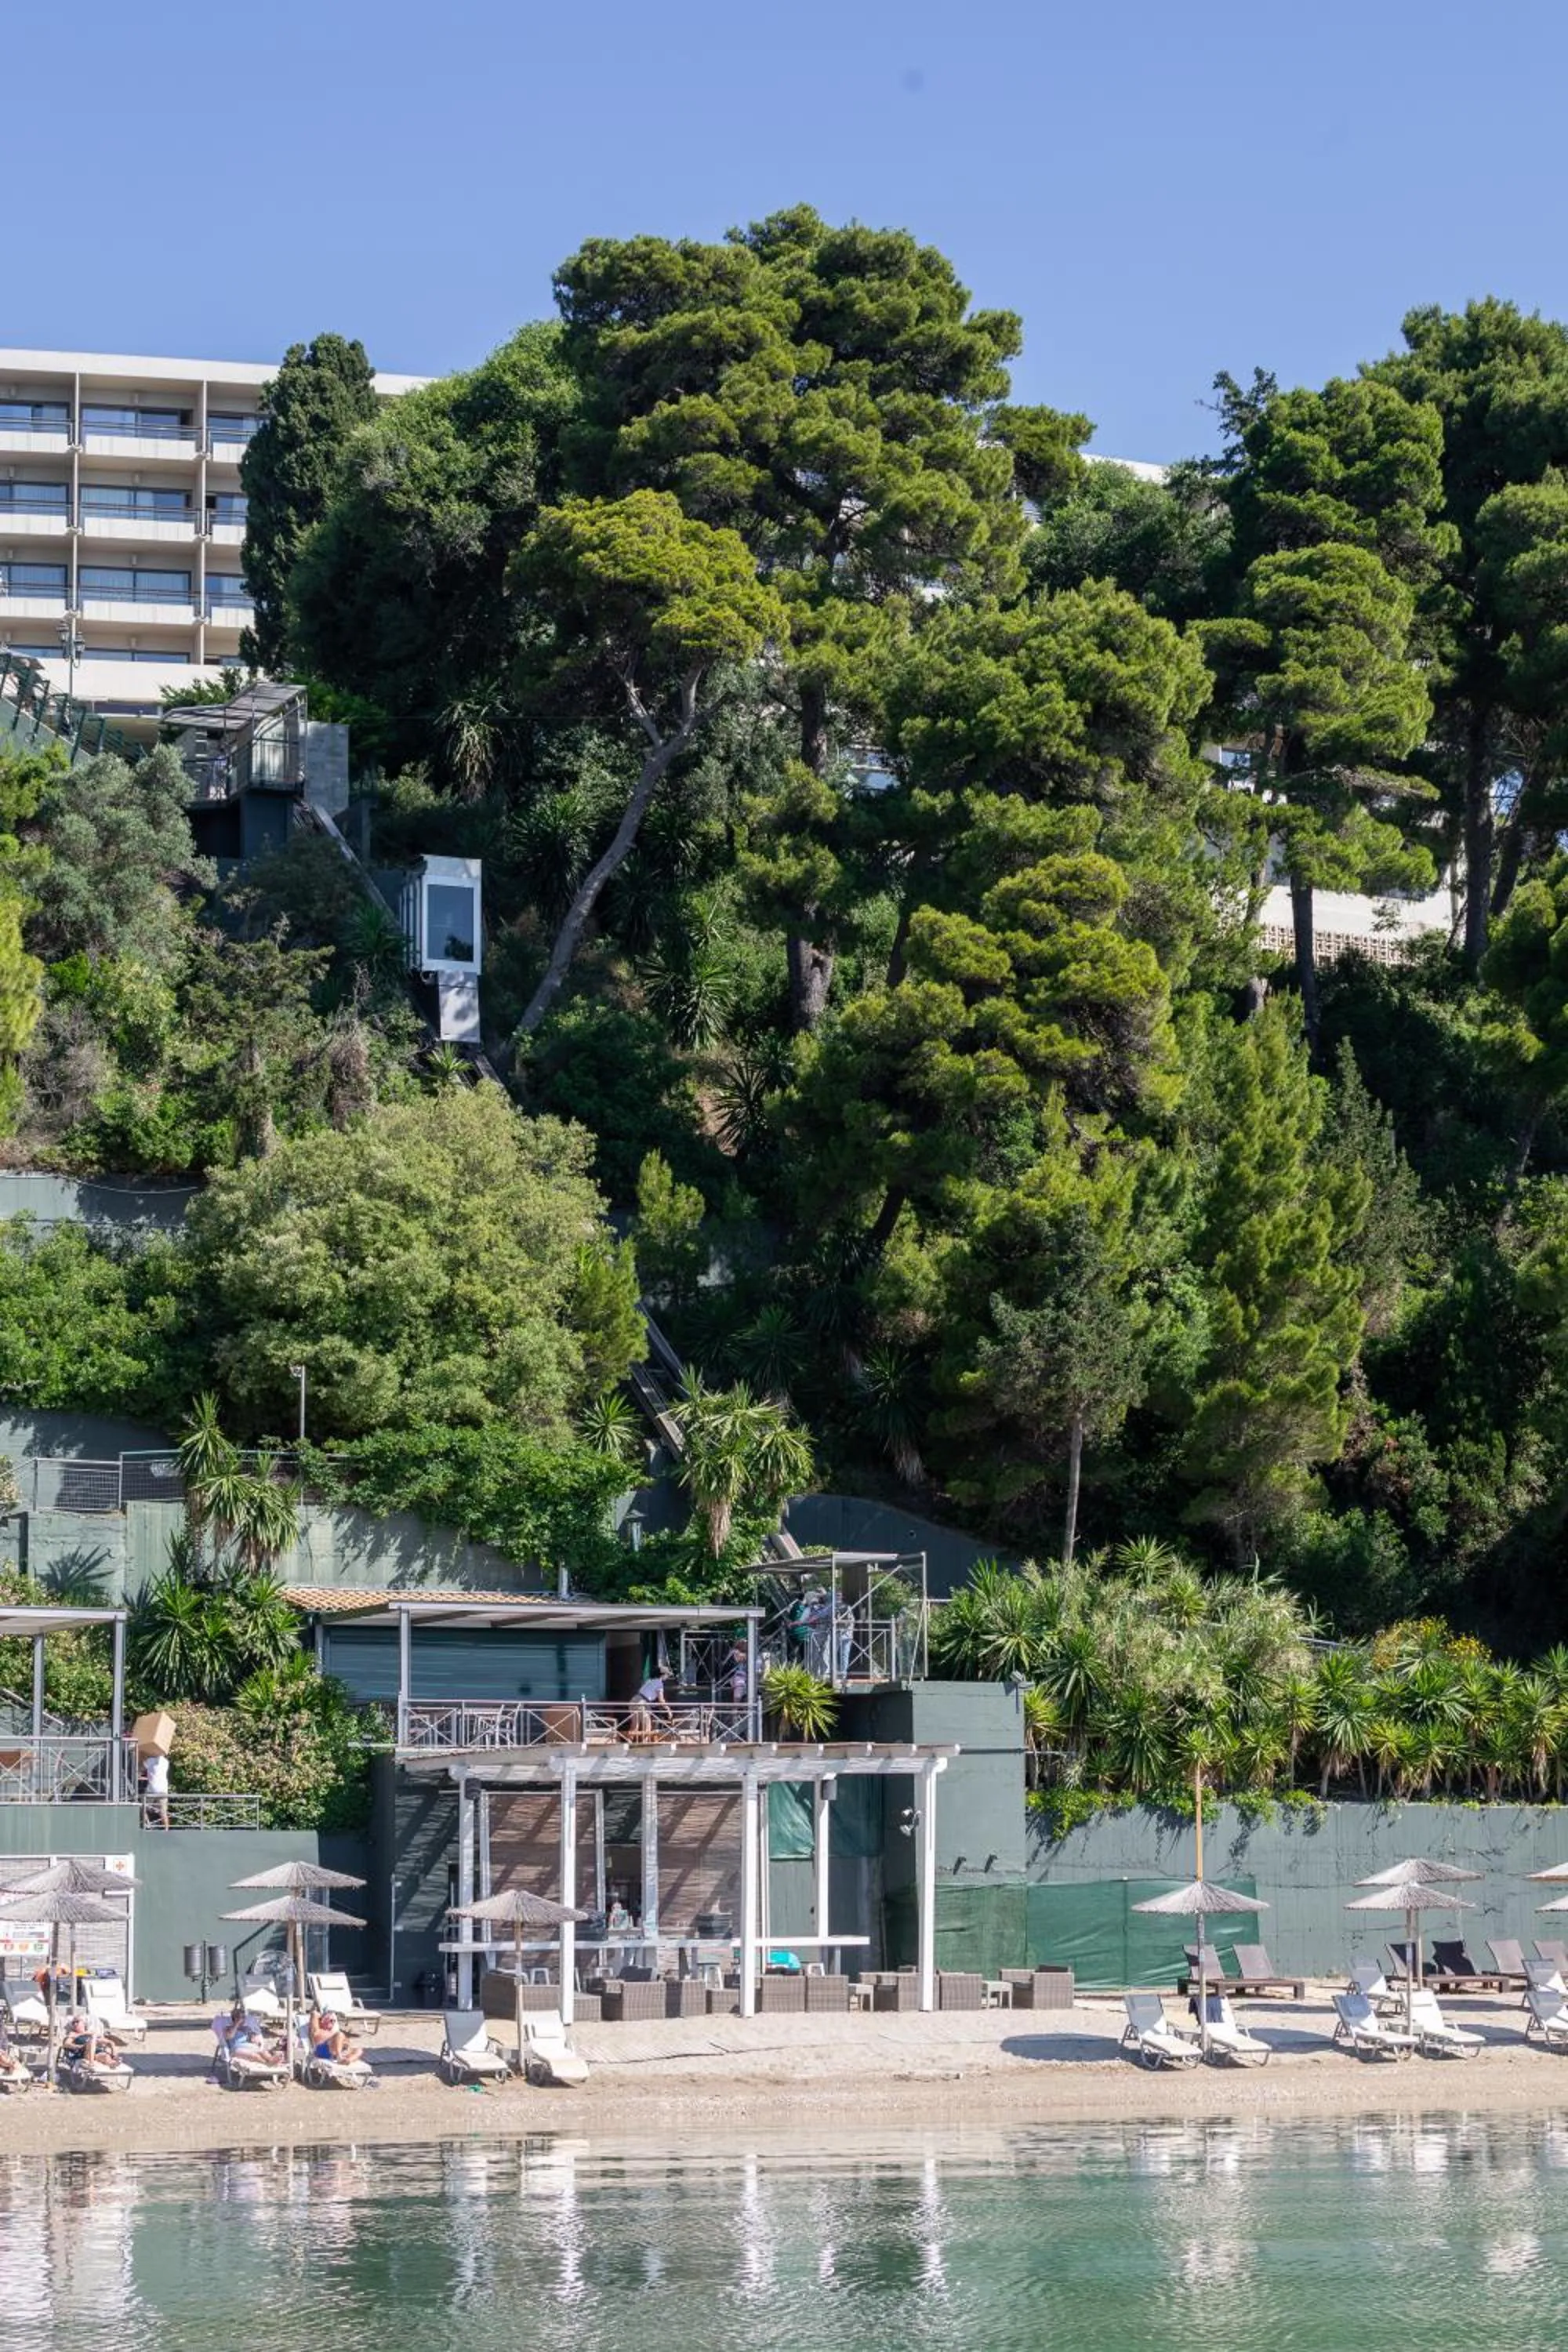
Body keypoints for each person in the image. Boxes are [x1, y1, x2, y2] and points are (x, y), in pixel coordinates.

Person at [142, 1747, 170, 1831]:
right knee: (163, 1811)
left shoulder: (150, 1760)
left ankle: (148, 1826)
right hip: (163, 1789)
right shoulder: (166, 1762)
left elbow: (142, 1767)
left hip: (152, 1789)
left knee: (144, 1808)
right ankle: (166, 1830)